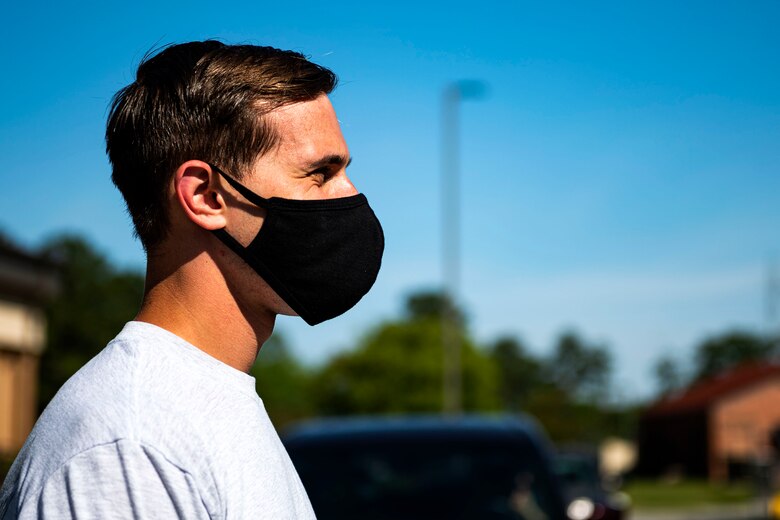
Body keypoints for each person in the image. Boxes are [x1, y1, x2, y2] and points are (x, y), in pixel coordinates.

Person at [0, 40, 384, 519]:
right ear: (205, 196)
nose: (351, 195)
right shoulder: (131, 448)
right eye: (320, 173)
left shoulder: (206, 405)